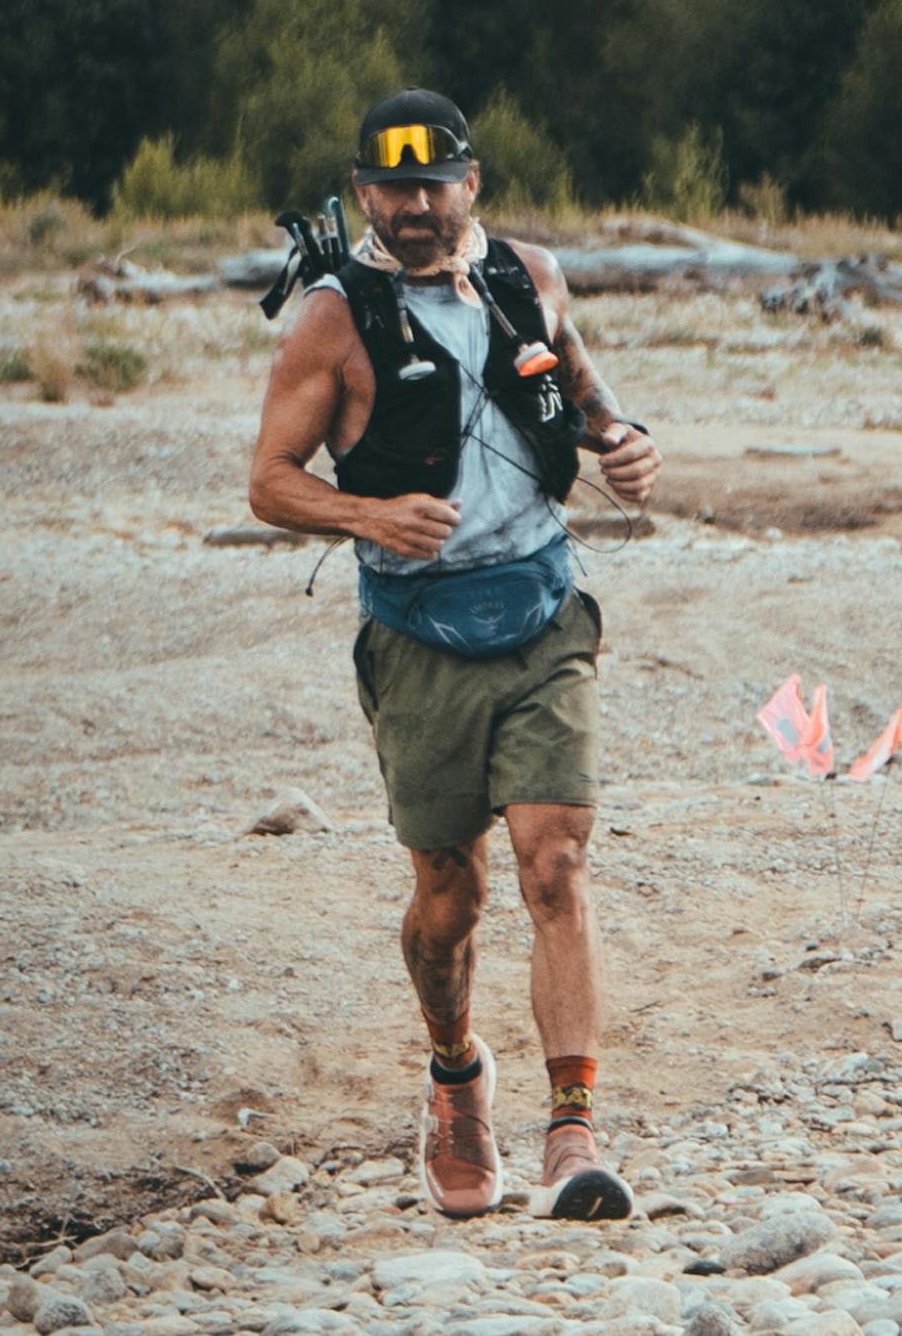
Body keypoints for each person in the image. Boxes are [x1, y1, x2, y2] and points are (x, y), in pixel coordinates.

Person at [245, 88, 662, 1221]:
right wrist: (365, 518)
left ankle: (572, 1130)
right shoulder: (330, 320)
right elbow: (267, 480)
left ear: (469, 184)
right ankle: (452, 1075)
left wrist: (618, 436)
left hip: (539, 609)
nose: (415, 206)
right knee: (448, 895)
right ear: (361, 192)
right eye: (391, 186)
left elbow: (570, 379)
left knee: (553, 863)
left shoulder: (527, 274)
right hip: (417, 635)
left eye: (435, 184)